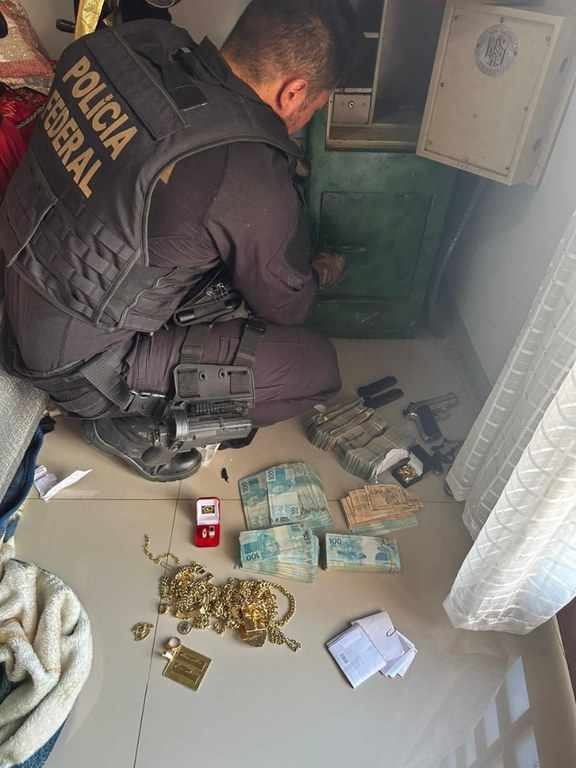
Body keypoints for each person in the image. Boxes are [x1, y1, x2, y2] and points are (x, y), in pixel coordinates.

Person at [0, 0, 359, 481]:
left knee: (214, 252)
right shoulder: (245, 165)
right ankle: (126, 425)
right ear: (294, 91)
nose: (306, 116)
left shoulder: (125, 44)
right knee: (315, 369)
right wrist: (314, 272)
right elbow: (286, 306)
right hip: (77, 366)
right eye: (314, 105)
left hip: (21, 275)